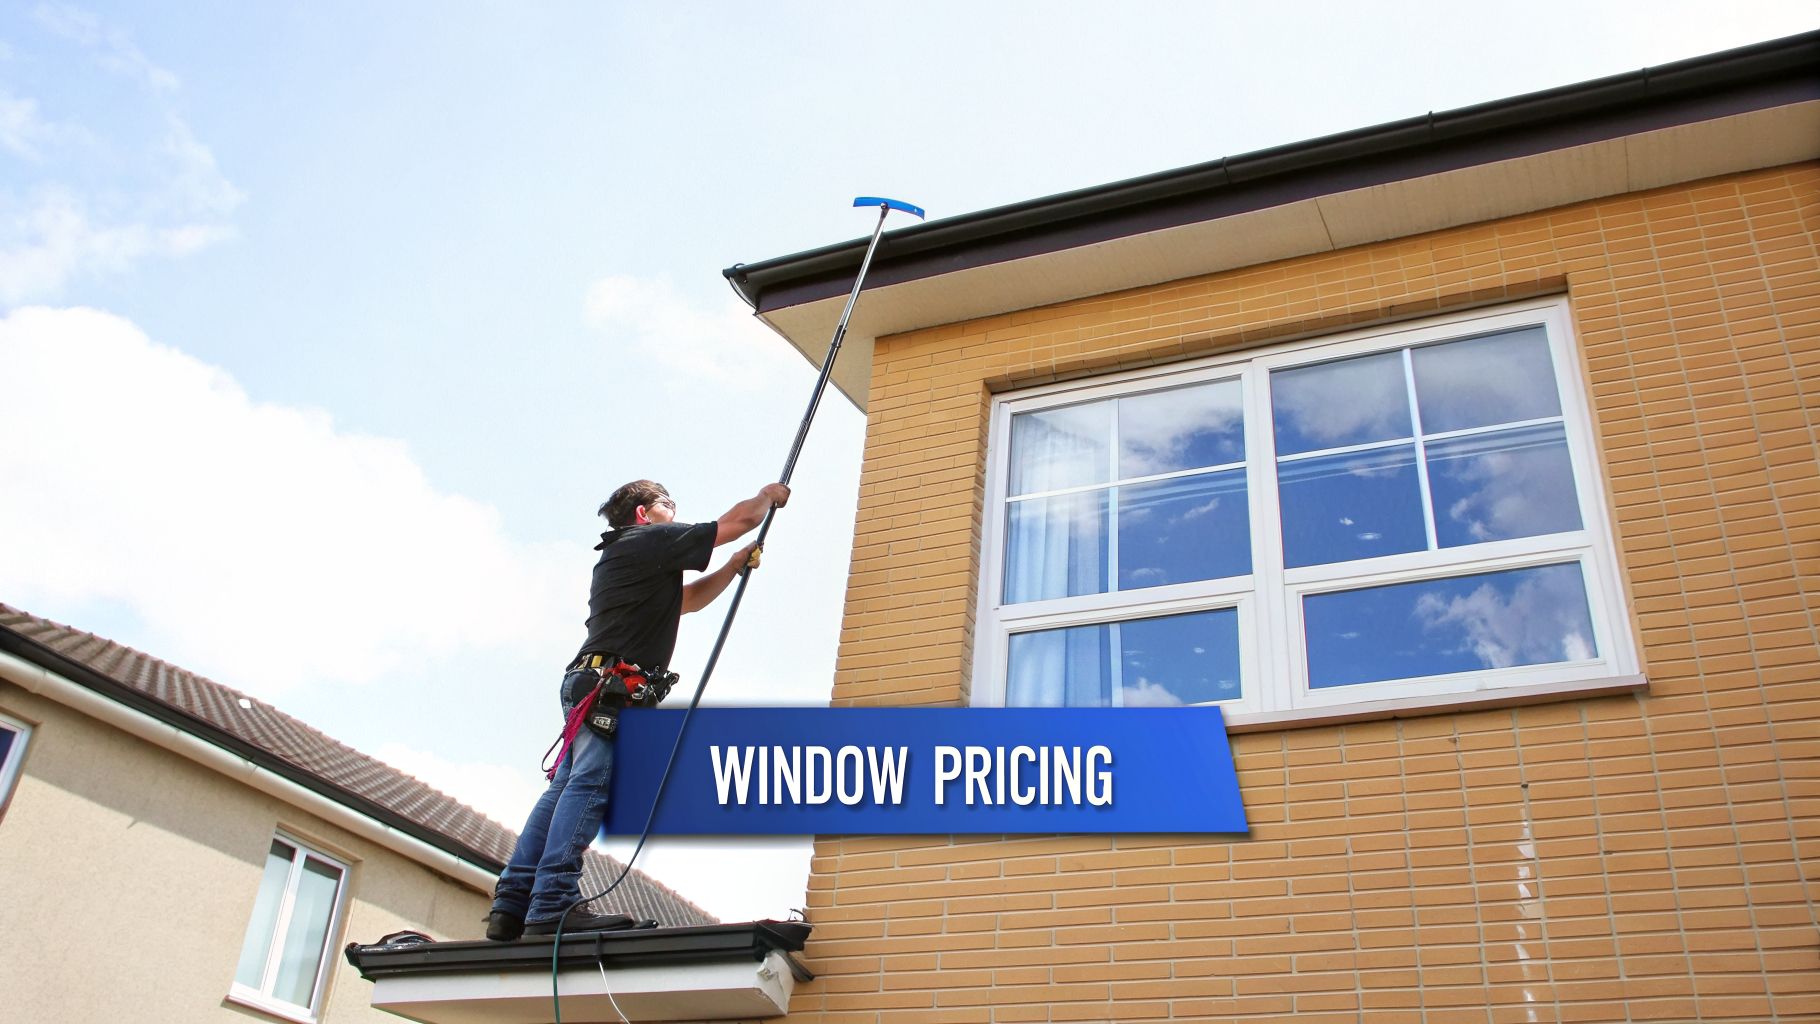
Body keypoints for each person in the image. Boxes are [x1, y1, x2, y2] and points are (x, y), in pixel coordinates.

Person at [486, 478, 790, 939]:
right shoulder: (648, 539)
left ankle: (513, 903)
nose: (676, 511)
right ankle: (551, 905)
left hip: (590, 679)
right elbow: (738, 521)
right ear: (645, 513)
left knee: (566, 786)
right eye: (669, 503)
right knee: (589, 786)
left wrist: (730, 567)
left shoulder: (627, 557)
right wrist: (768, 497)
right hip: (610, 684)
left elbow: (686, 602)